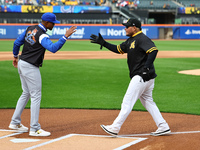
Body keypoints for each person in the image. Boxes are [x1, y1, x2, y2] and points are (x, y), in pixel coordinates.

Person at [90, 18, 171, 136]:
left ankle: (115, 127)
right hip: (146, 78)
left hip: (141, 76)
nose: (125, 28)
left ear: (134, 27)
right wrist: (104, 43)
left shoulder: (142, 38)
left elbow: (153, 51)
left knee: (127, 102)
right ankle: (163, 126)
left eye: (127, 26)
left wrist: (146, 67)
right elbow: (118, 49)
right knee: (148, 102)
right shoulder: (131, 40)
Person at [9, 12, 77, 136]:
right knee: (36, 95)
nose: (54, 25)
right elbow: (53, 48)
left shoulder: (30, 29)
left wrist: (15, 56)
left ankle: (15, 122)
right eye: (53, 23)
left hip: (22, 63)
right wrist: (65, 36)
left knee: (26, 93)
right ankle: (34, 128)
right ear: (46, 22)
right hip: (30, 66)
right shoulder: (42, 35)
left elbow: (16, 43)